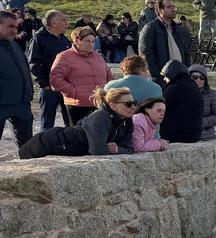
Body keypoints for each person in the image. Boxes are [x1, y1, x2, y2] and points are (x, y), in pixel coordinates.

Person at [18, 86, 136, 158]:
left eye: (134, 102)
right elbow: (97, 151)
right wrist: (113, 149)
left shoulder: (127, 120)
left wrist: (118, 149)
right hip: (49, 144)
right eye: (129, 104)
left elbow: (130, 149)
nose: (133, 107)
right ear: (113, 105)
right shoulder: (100, 117)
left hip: (63, 147)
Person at [50, 26, 114, 125]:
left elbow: (109, 75)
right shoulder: (64, 57)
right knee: (78, 137)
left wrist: (107, 92)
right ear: (77, 41)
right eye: (87, 41)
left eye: (93, 41)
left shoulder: (98, 56)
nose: (91, 44)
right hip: (78, 106)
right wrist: (73, 92)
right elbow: (55, 80)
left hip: (100, 104)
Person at [28, 10, 72, 130]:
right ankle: (45, 148)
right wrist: (44, 84)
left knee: (70, 122)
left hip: (66, 88)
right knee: (47, 123)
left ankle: (70, 146)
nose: (66, 23)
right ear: (54, 22)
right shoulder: (39, 38)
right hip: (49, 89)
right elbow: (34, 63)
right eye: (63, 20)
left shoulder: (64, 39)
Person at [0, 11, 34, 145]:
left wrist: (29, 92)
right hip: (1, 103)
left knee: (27, 147)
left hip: (21, 103)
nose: (15, 31)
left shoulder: (14, 45)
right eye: (10, 26)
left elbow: (25, 69)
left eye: (16, 27)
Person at [138, 0, 192, 82]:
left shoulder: (178, 29)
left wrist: (187, 70)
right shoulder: (150, 28)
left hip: (181, 76)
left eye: (174, 7)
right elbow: (146, 55)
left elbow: (186, 52)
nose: (173, 9)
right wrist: (158, 76)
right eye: (169, 7)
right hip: (162, 78)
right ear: (160, 10)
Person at [159, 60, 203, 143]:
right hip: (194, 135)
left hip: (173, 136)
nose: (164, 79)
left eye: (166, 76)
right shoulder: (193, 87)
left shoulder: (172, 89)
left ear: (171, 74)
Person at [187, 64, 216, 141]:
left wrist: (201, 123)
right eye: (195, 77)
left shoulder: (212, 94)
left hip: (206, 134)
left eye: (202, 77)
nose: (198, 80)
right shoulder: (182, 93)